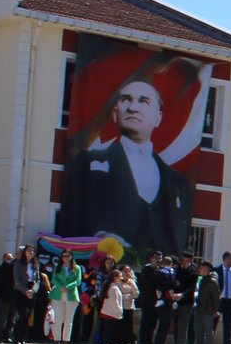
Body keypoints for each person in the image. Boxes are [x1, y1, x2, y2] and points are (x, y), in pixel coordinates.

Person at [58, 79, 193, 256]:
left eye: (143, 101)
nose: (133, 108)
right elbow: (71, 220)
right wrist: (99, 239)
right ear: (115, 113)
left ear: (158, 117)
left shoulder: (177, 183)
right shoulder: (87, 165)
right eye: (126, 100)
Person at [47, 255, 83, 344]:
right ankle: (56, 340)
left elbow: (78, 281)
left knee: (68, 321)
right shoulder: (57, 267)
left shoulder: (77, 268)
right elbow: (54, 279)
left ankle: (65, 341)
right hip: (58, 295)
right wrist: (60, 287)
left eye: (68, 256)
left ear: (72, 257)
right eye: (64, 256)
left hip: (71, 296)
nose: (66, 258)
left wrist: (68, 287)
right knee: (58, 319)